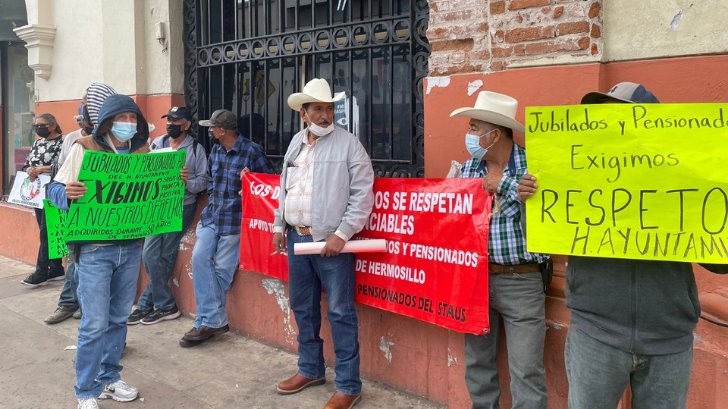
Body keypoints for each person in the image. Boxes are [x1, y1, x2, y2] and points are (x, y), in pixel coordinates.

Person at [517, 82, 728, 409]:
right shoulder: (577, 173)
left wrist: (720, 208)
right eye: (603, 115)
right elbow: (541, 240)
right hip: (595, 334)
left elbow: (720, 263)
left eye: (621, 116)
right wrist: (531, 203)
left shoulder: (685, 179)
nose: (611, 124)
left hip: (668, 339)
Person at [47, 94, 161, 409]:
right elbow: (53, 189)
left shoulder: (142, 151)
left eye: (133, 118)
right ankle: (85, 390)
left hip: (131, 246)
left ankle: (110, 378)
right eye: (122, 118)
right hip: (95, 250)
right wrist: (67, 194)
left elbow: (155, 190)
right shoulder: (84, 148)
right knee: (94, 323)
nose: (128, 124)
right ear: (108, 120)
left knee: (118, 318)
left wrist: (173, 182)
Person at [273, 78, 374, 409]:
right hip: (296, 238)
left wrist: (341, 234)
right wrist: (279, 224)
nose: (325, 114)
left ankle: (348, 385)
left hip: (332, 244)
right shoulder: (295, 144)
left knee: (340, 312)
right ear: (303, 113)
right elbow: (284, 187)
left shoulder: (349, 145)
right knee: (302, 307)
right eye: (317, 108)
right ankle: (311, 369)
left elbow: (362, 195)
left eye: (329, 108)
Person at [450, 91, 549, 409]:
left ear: (495, 133)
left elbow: (549, 217)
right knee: (478, 366)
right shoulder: (467, 171)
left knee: (527, 371)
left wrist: (504, 185)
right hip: (475, 280)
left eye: (475, 127)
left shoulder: (537, 168)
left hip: (522, 281)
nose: (470, 135)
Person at [179, 108, 273, 347]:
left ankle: (207, 320)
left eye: (212, 127)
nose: (210, 131)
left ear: (222, 131)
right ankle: (214, 320)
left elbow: (270, 184)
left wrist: (250, 181)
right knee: (200, 258)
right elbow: (211, 182)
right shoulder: (216, 152)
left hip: (235, 221)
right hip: (213, 217)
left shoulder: (252, 152)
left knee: (222, 272)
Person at [128, 107, 209, 325]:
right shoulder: (157, 144)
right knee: (150, 254)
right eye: (169, 119)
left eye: (176, 120)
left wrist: (186, 181)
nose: (171, 123)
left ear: (187, 125)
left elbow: (204, 181)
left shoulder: (195, 149)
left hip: (182, 206)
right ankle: (164, 304)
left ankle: (148, 304)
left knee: (166, 254)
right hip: (157, 206)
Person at [45, 86, 109, 324]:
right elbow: (56, 186)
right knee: (74, 265)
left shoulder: (133, 147)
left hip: (117, 234)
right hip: (83, 224)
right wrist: (67, 194)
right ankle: (68, 303)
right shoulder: (77, 142)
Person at [21, 113, 65, 287]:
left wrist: (40, 169)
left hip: (54, 190)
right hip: (37, 193)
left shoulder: (63, 142)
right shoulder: (38, 143)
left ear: (53, 125)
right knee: (45, 228)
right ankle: (56, 268)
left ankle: (41, 271)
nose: (38, 129)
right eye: (35, 126)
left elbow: (63, 164)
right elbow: (27, 163)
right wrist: (30, 169)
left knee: (47, 231)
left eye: (42, 125)